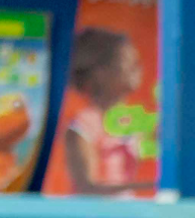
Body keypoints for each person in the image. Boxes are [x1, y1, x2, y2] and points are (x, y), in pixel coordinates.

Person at [58, 27, 155, 196]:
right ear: (99, 73)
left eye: (136, 61)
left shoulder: (134, 120)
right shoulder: (83, 127)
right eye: (125, 61)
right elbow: (86, 188)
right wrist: (150, 186)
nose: (136, 67)